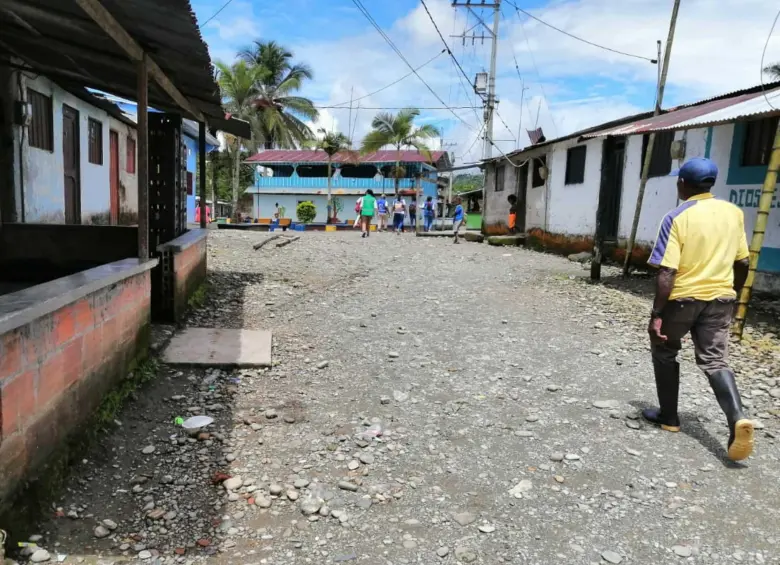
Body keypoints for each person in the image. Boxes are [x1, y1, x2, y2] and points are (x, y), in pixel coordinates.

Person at [644, 157, 753, 462]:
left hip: (683, 301)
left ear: (682, 183)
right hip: (720, 299)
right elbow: (742, 262)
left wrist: (656, 315)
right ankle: (737, 419)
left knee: (664, 349)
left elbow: (667, 272)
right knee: (716, 361)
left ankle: (669, 417)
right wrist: (735, 295)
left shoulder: (677, 217)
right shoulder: (733, 213)